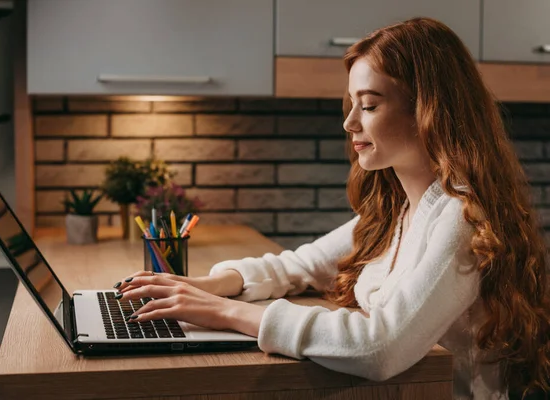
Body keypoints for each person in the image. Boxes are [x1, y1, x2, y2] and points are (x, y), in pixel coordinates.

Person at [112, 17, 550, 399]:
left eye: (371, 105)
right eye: (352, 103)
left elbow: (382, 346)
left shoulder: (461, 219)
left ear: (429, 110)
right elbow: (299, 266)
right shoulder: (396, 211)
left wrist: (226, 313)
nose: (350, 123)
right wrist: (208, 285)